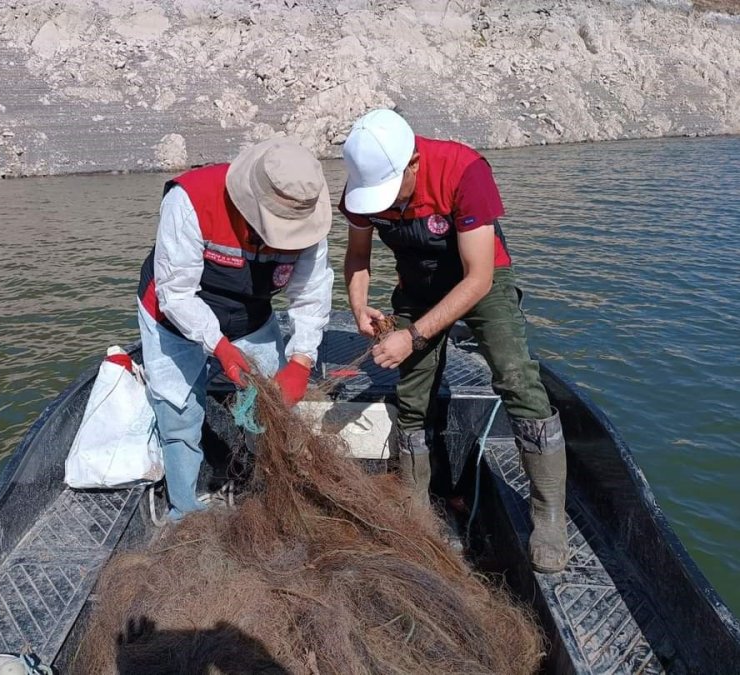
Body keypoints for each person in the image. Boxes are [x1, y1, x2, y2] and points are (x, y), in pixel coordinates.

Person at [339, 109, 568, 573]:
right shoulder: (362, 191)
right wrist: (358, 305)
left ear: (415, 163)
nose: (388, 205)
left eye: (394, 192)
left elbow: (479, 277)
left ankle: (548, 514)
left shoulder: (465, 171)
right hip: (417, 286)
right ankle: (416, 509)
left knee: (515, 378)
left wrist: (414, 334)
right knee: (411, 395)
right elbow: (357, 256)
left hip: (480, 280)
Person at [137, 137, 334, 521]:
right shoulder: (191, 200)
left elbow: (312, 295)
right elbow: (176, 294)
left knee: (273, 409)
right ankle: (185, 511)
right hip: (172, 315)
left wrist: (302, 360)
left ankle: (267, 494)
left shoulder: (308, 218)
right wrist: (220, 347)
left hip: (251, 313)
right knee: (179, 413)